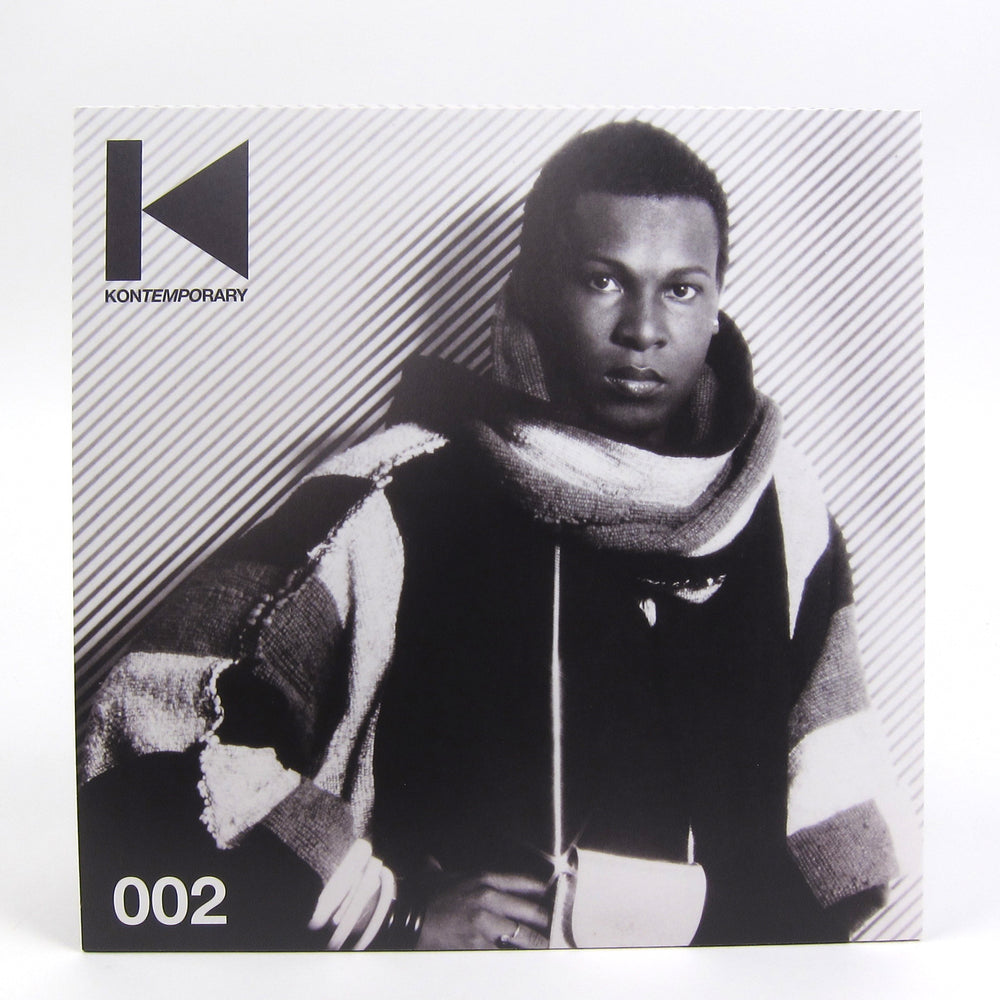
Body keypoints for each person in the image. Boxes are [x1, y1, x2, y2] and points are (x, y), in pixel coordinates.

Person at [78, 121, 909, 951]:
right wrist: (399, 921)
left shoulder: (782, 508)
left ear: (718, 299)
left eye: (682, 289)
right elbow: (153, 719)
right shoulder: (400, 494)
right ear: (535, 288)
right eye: (604, 281)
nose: (644, 329)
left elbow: (838, 836)